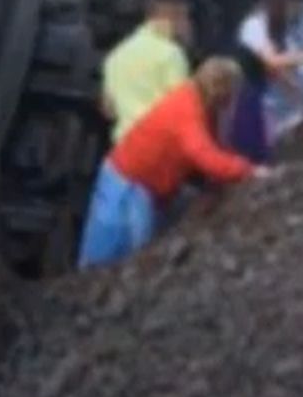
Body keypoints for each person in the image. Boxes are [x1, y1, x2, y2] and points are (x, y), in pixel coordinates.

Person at [78, 56, 267, 269]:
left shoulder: (193, 100)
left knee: (128, 259)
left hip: (139, 186)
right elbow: (205, 155)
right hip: (128, 187)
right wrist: (248, 170)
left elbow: (211, 147)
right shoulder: (187, 111)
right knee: (110, 260)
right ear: (222, 91)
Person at [226, 0, 303, 163]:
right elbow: (272, 61)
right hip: (247, 96)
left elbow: (275, 71)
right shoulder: (253, 25)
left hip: (268, 97)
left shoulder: (279, 28)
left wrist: (294, 91)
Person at [101, 0, 192, 143]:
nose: (188, 23)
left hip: (122, 146)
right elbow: (181, 109)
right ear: (174, 16)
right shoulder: (171, 54)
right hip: (155, 145)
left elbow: (109, 109)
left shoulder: (117, 54)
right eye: (185, 17)